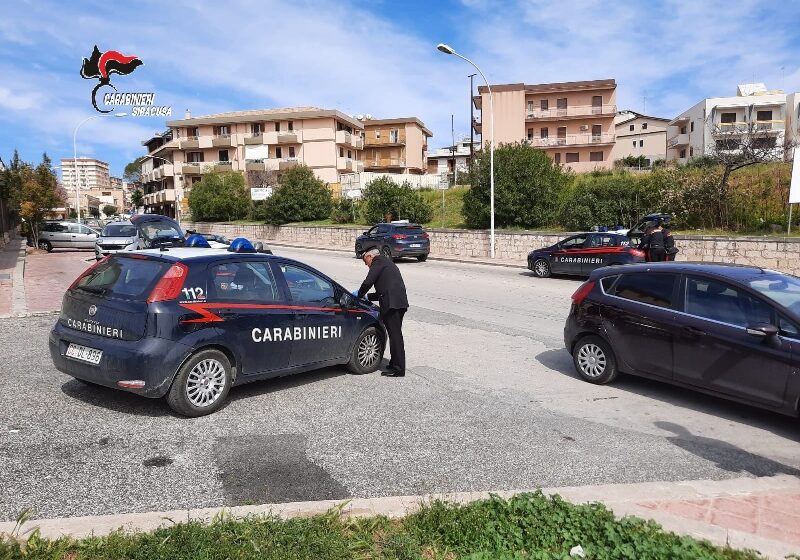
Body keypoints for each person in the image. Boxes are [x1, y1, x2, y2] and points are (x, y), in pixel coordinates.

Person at [354, 248, 409, 377]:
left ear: (369, 257)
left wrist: (360, 294)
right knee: (395, 334)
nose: (366, 265)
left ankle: (399, 369)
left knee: (395, 336)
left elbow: (368, 281)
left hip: (392, 305)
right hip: (399, 302)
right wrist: (368, 297)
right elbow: (385, 288)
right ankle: (395, 363)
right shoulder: (386, 262)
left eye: (365, 262)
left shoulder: (377, 262)